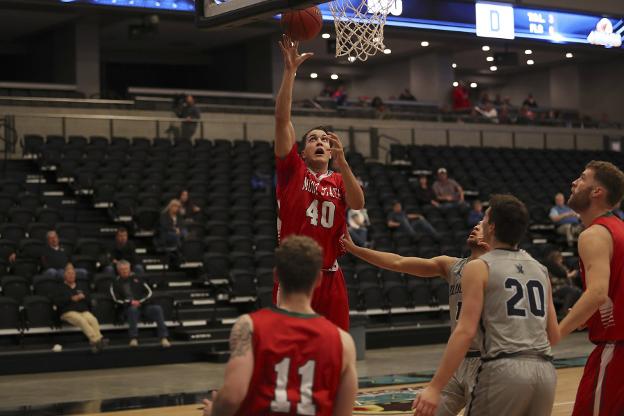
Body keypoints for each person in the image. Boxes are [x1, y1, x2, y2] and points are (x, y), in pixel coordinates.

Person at [413, 194, 559, 416]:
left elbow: (465, 331)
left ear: (491, 227)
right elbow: (554, 335)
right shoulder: (540, 269)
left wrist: (434, 387)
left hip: (503, 367)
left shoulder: (479, 266)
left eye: (483, 219)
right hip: (545, 370)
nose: (479, 222)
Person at [343, 223, 489, 416]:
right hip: (457, 362)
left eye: (482, 226)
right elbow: (398, 262)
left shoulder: (499, 269)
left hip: (486, 361)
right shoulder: (452, 266)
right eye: (475, 224)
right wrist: (355, 249)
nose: (475, 227)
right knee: (424, 412)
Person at [201, 236, 358, 416]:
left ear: (276, 275)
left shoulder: (248, 326)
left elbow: (231, 397)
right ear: (319, 279)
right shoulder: (343, 342)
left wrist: (213, 412)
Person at [272, 35, 365, 331]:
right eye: (313, 139)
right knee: (293, 345)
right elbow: (282, 120)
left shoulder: (339, 178)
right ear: (302, 151)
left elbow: (358, 203)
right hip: (296, 273)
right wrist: (290, 72)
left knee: (337, 347)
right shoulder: (292, 170)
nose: (320, 142)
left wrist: (345, 163)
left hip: (330, 273)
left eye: (325, 139)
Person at [558, 161, 624, 416]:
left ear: (597, 191)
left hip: (616, 350)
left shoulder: (594, 234)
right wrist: (592, 315)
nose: (574, 182)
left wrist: (555, 334)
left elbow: (597, 293)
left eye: (583, 178)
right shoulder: (619, 229)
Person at [110, 261, 171, 348]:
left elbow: (149, 293)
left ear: (129, 269)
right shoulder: (115, 283)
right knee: (133, 310)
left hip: (143, 305)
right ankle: (133, 338)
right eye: (122, 269)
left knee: (157, 308)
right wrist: (130, 302)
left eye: (126, 269)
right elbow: (115, 299)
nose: (124, 271)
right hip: (126, 308)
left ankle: (164, 337)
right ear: (118, 270)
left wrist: (140, 302)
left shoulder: (138, 278)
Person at [53, 264, 105, 354]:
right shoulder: (59, 287)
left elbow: (89, 300)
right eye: (69, 274)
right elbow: (57, 302)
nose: (71, 276)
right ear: (64, 276)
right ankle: (97, 340)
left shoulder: (81, 286)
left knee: (92, 319)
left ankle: (96, 343)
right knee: (81, 320)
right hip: (68, 312)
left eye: (73, 274)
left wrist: (84, 297)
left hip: (83, 311)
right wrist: (71, 299)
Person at [543, 250, 582, 319]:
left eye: (561, 259)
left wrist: (570, 277)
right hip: (555, 288)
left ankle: (574, 312)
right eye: (559, 259)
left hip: (566, 287)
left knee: (578, 291)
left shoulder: (563, 267)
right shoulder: (551, 268)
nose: (561, 261)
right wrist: (569, 276)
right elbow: (552, 280)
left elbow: (568, 279)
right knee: (571, 291)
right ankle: (564, 311)